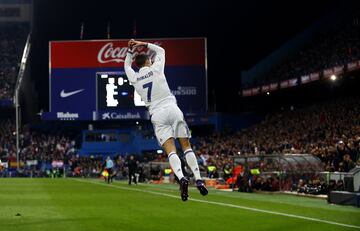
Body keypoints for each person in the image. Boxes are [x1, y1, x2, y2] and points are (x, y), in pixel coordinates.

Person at [124, 39, 208, 201]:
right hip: (172, 108)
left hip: (157, 114)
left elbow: (126, 66)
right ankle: (198, 179)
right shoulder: (156, 68)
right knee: (186, 146)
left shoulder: (134, 77)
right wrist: (142, 43)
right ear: (148, 61)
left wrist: (129, 51)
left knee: (171, 150)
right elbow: (161, 51)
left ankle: (182, 178)